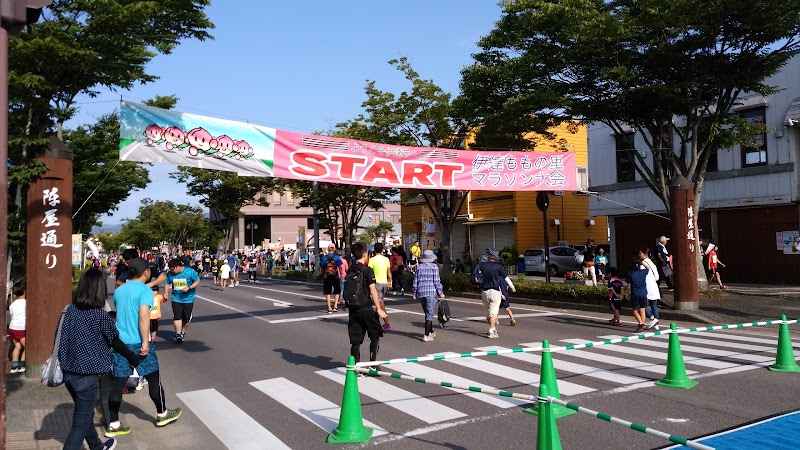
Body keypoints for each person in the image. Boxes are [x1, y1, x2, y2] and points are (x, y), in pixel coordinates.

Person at [58, 268, 140, 450]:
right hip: (87, 377)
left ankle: (96, 446)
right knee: (79, 424)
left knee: (84, 414)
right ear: (99, 290)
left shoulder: (68, 311)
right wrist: (133, 357)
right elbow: (115, 341)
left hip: (67, 374)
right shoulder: (100, 315)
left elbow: (60, 337)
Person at [107, 258, 182, 438]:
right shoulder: (145, 291)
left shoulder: (119, 290)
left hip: (120, 343)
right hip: (138, 342)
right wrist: (145, 342)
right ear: (146, 272)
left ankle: (113, 423)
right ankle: (162, 414)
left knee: (118, 383)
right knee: (153, 379)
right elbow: (143, 317)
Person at [344, 242, 388, 370]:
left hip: (353, 309)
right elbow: (373, 291)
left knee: (356, 340)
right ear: (365, 254)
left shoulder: (350, 269)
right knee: (375, 334)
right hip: (366, 308)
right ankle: (372, 364)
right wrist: (379, 308)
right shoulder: (367, 270)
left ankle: (355, 367)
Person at [148, 259, 201, 343]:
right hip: (176, 298)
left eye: (172, 269)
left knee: (186, 318)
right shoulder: (170, 274)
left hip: (188, 299)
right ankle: (178, 335)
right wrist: (165, 292)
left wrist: (189, 287)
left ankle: (183, 332)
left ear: (177, 267)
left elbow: (197, 281)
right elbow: (167, 283)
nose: (171, 270)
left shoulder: (190, 271)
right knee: (177, 316)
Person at [412, 249, 444, 341]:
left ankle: (431, 332)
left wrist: (414, 293)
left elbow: (415, 281)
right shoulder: (434, 267)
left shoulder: (419, 267)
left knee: (427, 313)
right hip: (431, 292)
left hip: (421, 292)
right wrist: (441, 293)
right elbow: (437, 281)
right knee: (429, 314)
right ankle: (426, 335)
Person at [476, 248, 507, 338]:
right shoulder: (499, 267)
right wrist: (512, 287)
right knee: (493, 313)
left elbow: (477, 276)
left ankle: (493, 329)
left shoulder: (482, 265)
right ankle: (491, 330)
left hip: (484, 292)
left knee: (488, 313)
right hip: (495, 291)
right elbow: (506, 278)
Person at [368, 242, 393, 330]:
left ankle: (386, 323)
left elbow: (369, 272)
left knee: (380, 303)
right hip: (384, 283)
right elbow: (388, 271)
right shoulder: (386, 259)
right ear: (382, 250)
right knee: (379, 302)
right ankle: (375, 321)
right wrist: (390, 281)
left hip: (376, 283)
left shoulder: (372, 260)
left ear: (374, 250)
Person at [625, 257, 650, 332]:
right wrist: (642, 263)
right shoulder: (643, 272)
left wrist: (626, 291)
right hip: (643, 293)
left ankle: (641, 323)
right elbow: (648, 268)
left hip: (635, 293)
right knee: (642, 309)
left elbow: (628, 286)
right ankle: (642, 324)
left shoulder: (631, 273)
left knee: (635, 310)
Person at [639, 249, 661, 330]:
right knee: (654, 306)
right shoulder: (652, 263)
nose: (639, 254)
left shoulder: (643, 263)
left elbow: (640, 275)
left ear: (645, 254)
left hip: (647, 287)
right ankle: (656, 324)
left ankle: (652, 319)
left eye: (640, 253)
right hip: (654, 286)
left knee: (642, 305)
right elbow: (657, 277)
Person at [8, 283, 27, 373]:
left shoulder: (12, 305)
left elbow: (11, 318)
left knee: (17, 346)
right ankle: (22, 365)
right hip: (21, 328)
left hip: (12, 328)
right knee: (28, 347)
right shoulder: (27, 303)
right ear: (24, 291)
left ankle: (13, 366)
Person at [322, 244, 344, 313]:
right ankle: (335, 306)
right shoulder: (337, 257)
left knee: (328, 292)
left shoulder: (324, 257)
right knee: (337, 291)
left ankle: (329, 308)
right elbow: (340, 267)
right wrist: (340, 276)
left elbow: (322, 267)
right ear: (334, 249)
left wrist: (323, 274)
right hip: (335, 276)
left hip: (327, 276)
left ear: (328, 249)